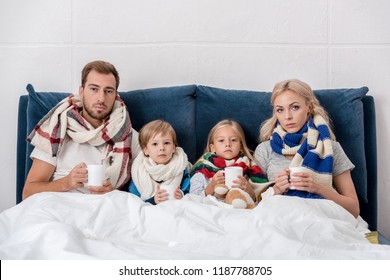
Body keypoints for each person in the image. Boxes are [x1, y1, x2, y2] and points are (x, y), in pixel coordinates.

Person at [22, 60, 141, 200]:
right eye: (94, 89)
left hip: (105, 209)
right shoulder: (56, 128)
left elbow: (149, 182)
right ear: (81, 91)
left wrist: (112, 194)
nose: (101, 98)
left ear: (116, 95)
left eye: (108, 91)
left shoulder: (128, 135)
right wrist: (65, 183)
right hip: (58, 207)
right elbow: (28, 192)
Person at [254, 78, 360, 217]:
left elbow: (354, 209)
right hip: (279, 219)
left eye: (295, 107)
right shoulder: (265, 149)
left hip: (320, 218)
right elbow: (252, 204)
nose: (287, 116)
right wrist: (277, 189)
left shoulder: (331, 148)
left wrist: (316, 188)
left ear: (309, 108)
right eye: (280, 110)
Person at [190, 119, 267, 209]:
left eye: (233, 140)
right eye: (221, 140)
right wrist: (212, 186)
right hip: (211, 212)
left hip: (239, 213)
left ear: (241, 147)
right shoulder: (202, 168)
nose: (228, 144)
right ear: (213, 147)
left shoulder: (249, 168)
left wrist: (249, 191)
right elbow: (192, 199)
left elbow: (262, 202)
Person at [129, 120, 191, 204]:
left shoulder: (180, 167)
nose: (162, 148)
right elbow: (133, 199)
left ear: (173, 147)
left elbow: (190, 190)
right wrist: (153, 200)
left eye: (166, 143)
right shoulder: (139, 170)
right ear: (146, 150)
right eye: (155, 144)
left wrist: (182, 195)